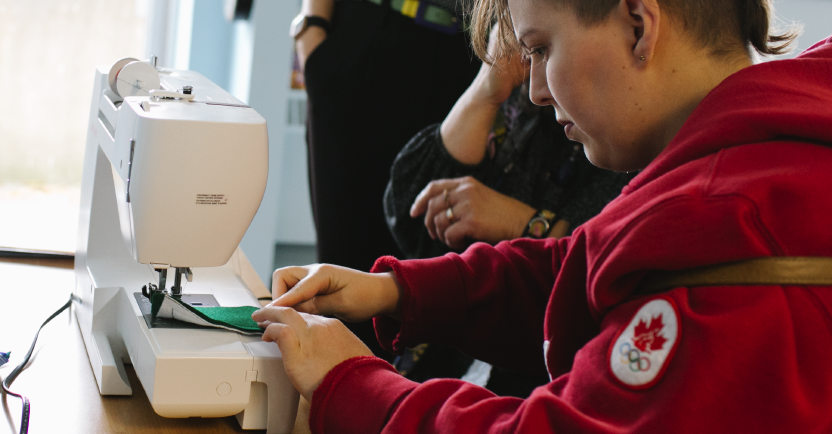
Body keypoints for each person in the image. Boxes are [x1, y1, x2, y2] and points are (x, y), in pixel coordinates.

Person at [254, 0, 832, 431]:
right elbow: (589, 265)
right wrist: (395, 292)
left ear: (639, 25)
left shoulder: (735, 231)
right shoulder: (755, 149)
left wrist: (354, 385)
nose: (533, 89)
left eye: (541, 50)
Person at [382, 28, 634, 396]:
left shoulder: (642, 137)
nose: (536, 87)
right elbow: (414, 222)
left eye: (544, 48)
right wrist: (488, 86)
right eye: (531, 50)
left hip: (534, 388)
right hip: (449, 372)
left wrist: (526, 223)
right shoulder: (527, 104)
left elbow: (612, 269)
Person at [296, 0, 481, 356]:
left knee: (434, 291)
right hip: (367, 37)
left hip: (468, 58)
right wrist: (311, 26)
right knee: (344, 281)